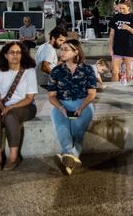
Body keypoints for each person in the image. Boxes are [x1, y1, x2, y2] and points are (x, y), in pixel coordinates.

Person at [48, 39, 96, 175]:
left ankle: (67, 157)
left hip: (83, 104)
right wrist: (61, 108)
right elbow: (51, 96)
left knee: (77, 134)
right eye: (61, 49)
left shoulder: (87, 69)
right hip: (61, 105)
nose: (61, 52)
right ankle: (70, 159)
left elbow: (92, 94)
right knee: (62, 131)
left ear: (76, 52)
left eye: (66, 49)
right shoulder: (56, 71)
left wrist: (81, 107)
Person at [0, 41, 38, 171]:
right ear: (5, 55)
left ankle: (13, 157)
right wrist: (1, 107)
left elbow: (29, 98)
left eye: (18, 52)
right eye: (11, 52)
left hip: (26, 106)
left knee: (10, 117)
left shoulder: (29, 71)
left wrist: (10, 108)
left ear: (22, 55)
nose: (15, 55)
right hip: (2, 105)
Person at [108, 0, 133, 82]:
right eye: (120, 8)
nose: (121, 10)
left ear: (128, 7)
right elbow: (112, 34)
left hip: (129, 48)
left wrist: (128, 28)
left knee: (128, 71)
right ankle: (115, 90)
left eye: (123, 8)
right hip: (117, 48)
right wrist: (110, 47)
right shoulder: (116, 17)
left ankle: (128, 90)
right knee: (115, 71)